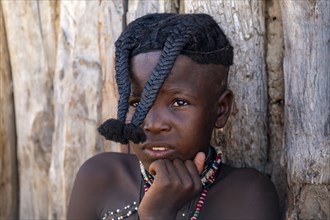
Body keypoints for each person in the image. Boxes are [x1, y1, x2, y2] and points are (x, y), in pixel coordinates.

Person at [67, 13, 279, 220]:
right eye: (137, 103)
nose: (153, 124)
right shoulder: (100, 179)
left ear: (221, 109)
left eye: (179, 103)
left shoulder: (247, 195)